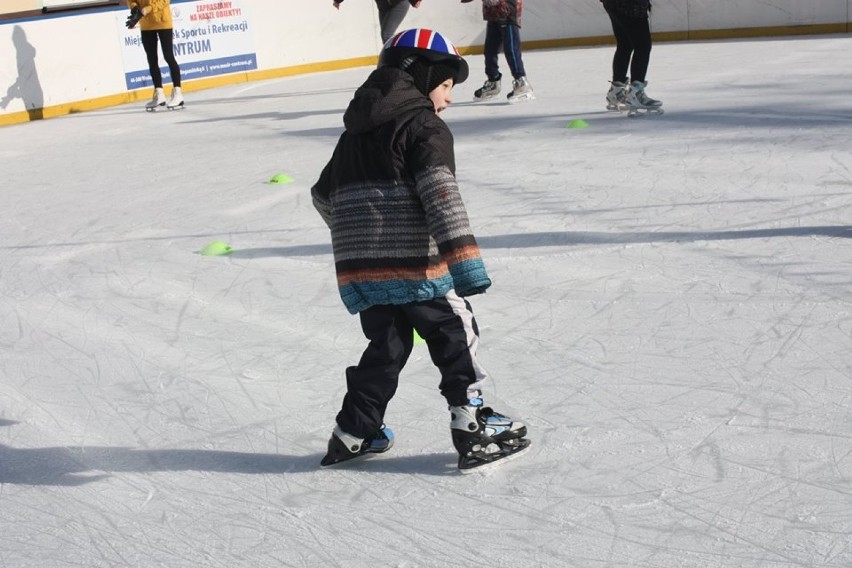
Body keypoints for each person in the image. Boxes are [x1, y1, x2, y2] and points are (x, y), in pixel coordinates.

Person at [311, 28, 529, 471]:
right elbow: (440, 193)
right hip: (418, 266)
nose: (448, 98)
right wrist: (465, 263)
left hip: (364, 272)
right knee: (455, 333)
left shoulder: (354, 131)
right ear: (421, 72)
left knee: (387, 347)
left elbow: (323, 195)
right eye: (446, 85)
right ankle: (472, 423)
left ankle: (356, 430)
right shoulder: (424, 125)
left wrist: (364, 241)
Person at [464, 0, 533, 103]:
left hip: (508, 10)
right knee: (490, 50)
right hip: (493, 11)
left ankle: (521, 82)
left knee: (511, 49)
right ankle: (493, 82)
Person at [600, 0, 662, 114]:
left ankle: (617, 92)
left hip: (612, 4)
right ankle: (636, 94)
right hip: (632, 5)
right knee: (643, 46)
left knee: (625, 44)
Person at [125, 0, 184, 111]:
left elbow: (164, 1)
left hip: (163, 22)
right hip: (146, 24)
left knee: (168, 56)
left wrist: (148, 9)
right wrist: (134, 9)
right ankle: (159, 93)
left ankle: (178, 93)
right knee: (152, 60)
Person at [333, 0, 423, 44]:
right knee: (386, 37)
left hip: (398, 3)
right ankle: (390, 63)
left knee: (386, 35)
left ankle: (396, 62)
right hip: (383, 7)